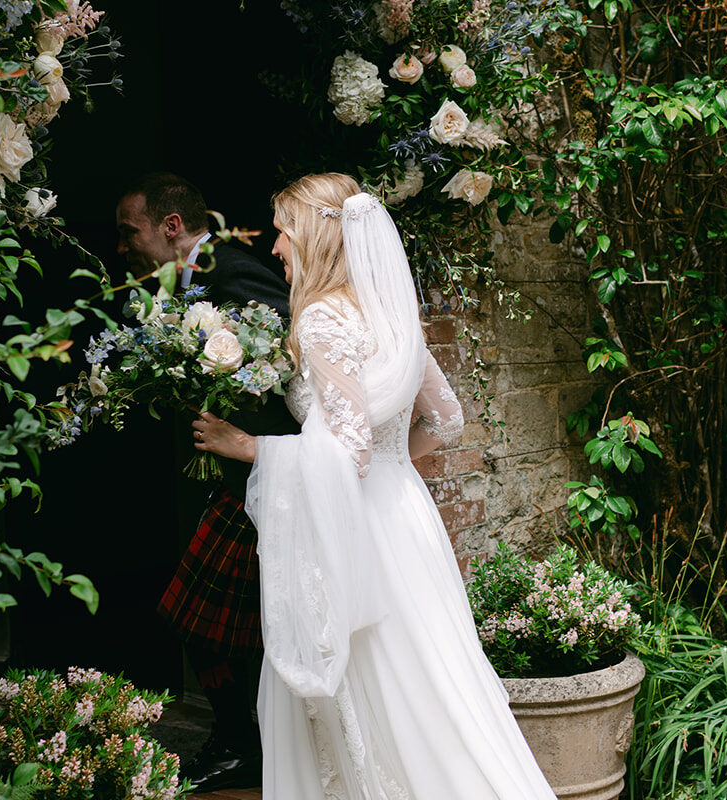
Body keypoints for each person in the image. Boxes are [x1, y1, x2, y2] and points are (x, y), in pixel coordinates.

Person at [192, 173, 557, 799]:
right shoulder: (389, 314)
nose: (275, 249)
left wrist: (251, 447)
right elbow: (446, 420)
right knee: (431, 687)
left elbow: (349, 450)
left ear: (313, 235)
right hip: (404, 518)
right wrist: (396, 468)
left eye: (282, 233)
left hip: (358, 527)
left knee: (381, 688)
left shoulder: (322, 320)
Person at [116, 172, 297, 792]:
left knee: (209, 621)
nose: (123, 246)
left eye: (129, 230)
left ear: (171, 227)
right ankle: (244, 739)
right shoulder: (180, 280)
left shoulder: (232, 267)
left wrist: (242, 432)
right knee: (213, 622)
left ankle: (246, 743)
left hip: (268, 474)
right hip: (234, 478)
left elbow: (285, 349)